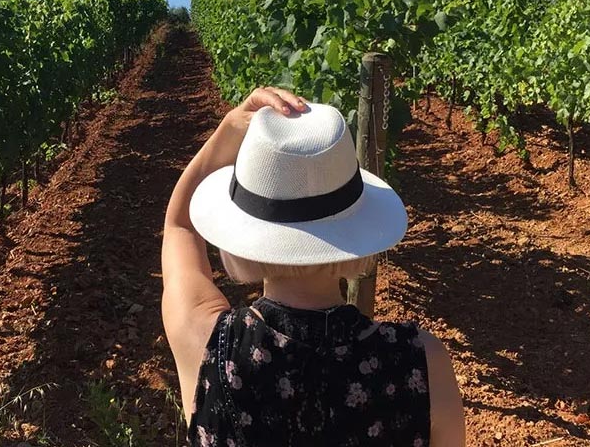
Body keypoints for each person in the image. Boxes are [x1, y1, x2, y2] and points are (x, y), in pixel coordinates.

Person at [162, 87, 465, 446]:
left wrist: (229, 128)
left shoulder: (207, 342)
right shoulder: (422, 363)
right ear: (360, 230)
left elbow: (179, 226)